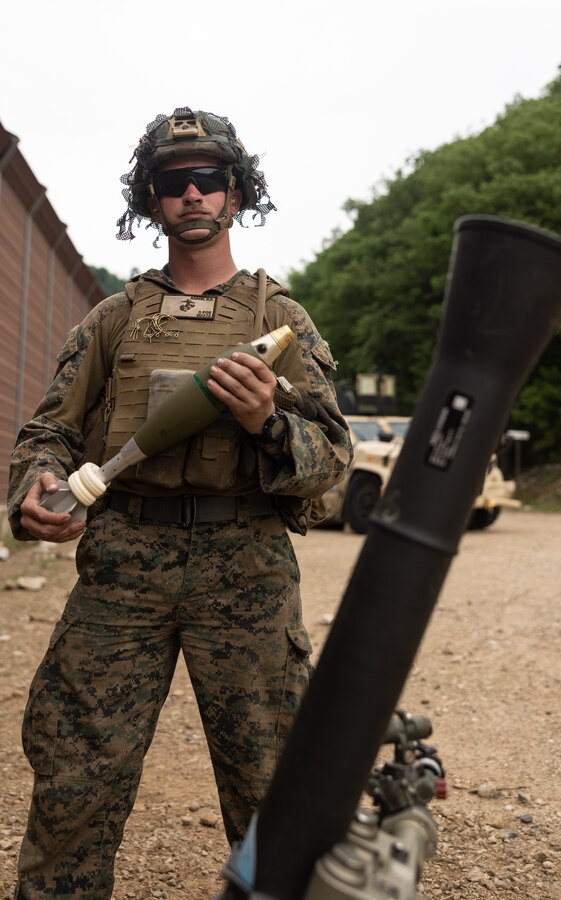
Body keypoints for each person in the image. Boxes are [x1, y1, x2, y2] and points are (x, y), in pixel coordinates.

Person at [7, 107, 353, 899]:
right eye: (173, 182)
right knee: (74, 775)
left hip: (247, 568)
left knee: (273, 780)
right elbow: (48, 433)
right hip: (124, 559)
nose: (192, 194)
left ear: (236, 193)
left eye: (209, 179)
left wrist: (267, 420)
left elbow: (332, 464)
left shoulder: (281, 322)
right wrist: (36, 491)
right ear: (151, 199)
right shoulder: (113, 320)